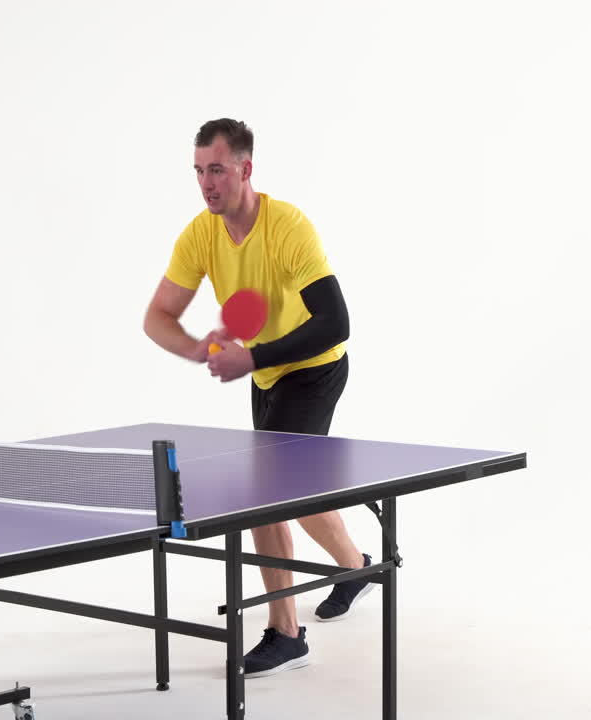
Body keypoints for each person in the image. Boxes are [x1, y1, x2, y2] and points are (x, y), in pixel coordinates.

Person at [143, 118, 372, 678]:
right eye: (199, 171)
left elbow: (335, 322)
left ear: (245, 169)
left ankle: (286, 632)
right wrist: (197, 347)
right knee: (299, 494)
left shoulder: (288, 227)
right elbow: (157, 318)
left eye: (216, 169)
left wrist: (252, 358)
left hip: (314, 370)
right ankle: (357, 567)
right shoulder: (201, 233)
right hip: (267, 375)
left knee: (264, 493)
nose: (206, 183)